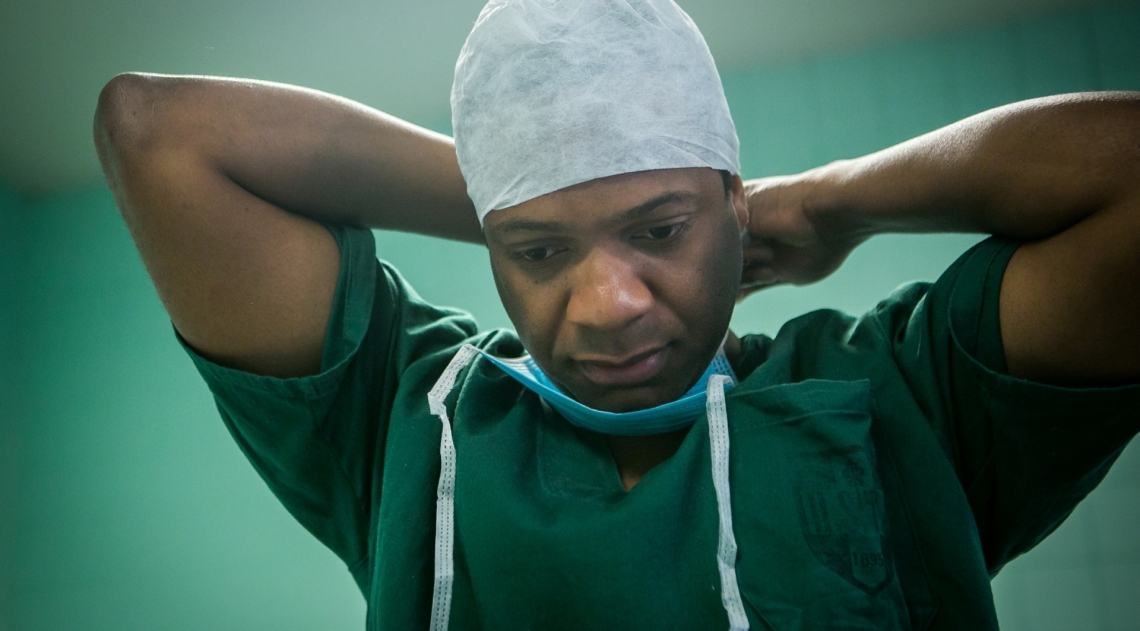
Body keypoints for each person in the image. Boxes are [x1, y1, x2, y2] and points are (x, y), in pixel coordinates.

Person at [93, 0, 1139, 629]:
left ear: (736, 208)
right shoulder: (412, 421)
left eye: (661, 229)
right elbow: (155, 133)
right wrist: (524, 181)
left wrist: (831, 201)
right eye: (540, 255)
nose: (609, 306)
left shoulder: (897, 397)